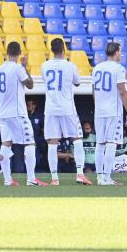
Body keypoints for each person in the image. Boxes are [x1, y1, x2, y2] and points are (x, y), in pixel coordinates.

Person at [41, 38, 90, 186]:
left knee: (52, 142)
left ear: (51, 50)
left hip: (50, 108)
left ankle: (54, 178)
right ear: (64, 50)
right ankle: (80, 174)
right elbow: (77, 82)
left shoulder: (44, 66)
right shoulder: (70, 66)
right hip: (67, 107)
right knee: (77, 138)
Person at [0, 42, 40, 187]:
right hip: (17, 113)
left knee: (6, 143)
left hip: (3, 113)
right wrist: (25, 67)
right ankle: (31, 179)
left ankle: (7, 180)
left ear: (7, 53)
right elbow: (30, 84)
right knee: (30, 142)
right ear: (19, 53)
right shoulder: (18, 68)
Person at [90, 43, 127, 186]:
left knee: (100, 144)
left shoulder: (97, 68)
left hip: (99, 111)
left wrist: (97, 107)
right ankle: (107, 178)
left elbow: (94, 91)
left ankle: (100, 177)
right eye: (120, 51)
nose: (121, 54)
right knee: (111, 143)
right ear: (116, 52)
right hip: (113, 111)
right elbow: (122, 91)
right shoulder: (118, 69)